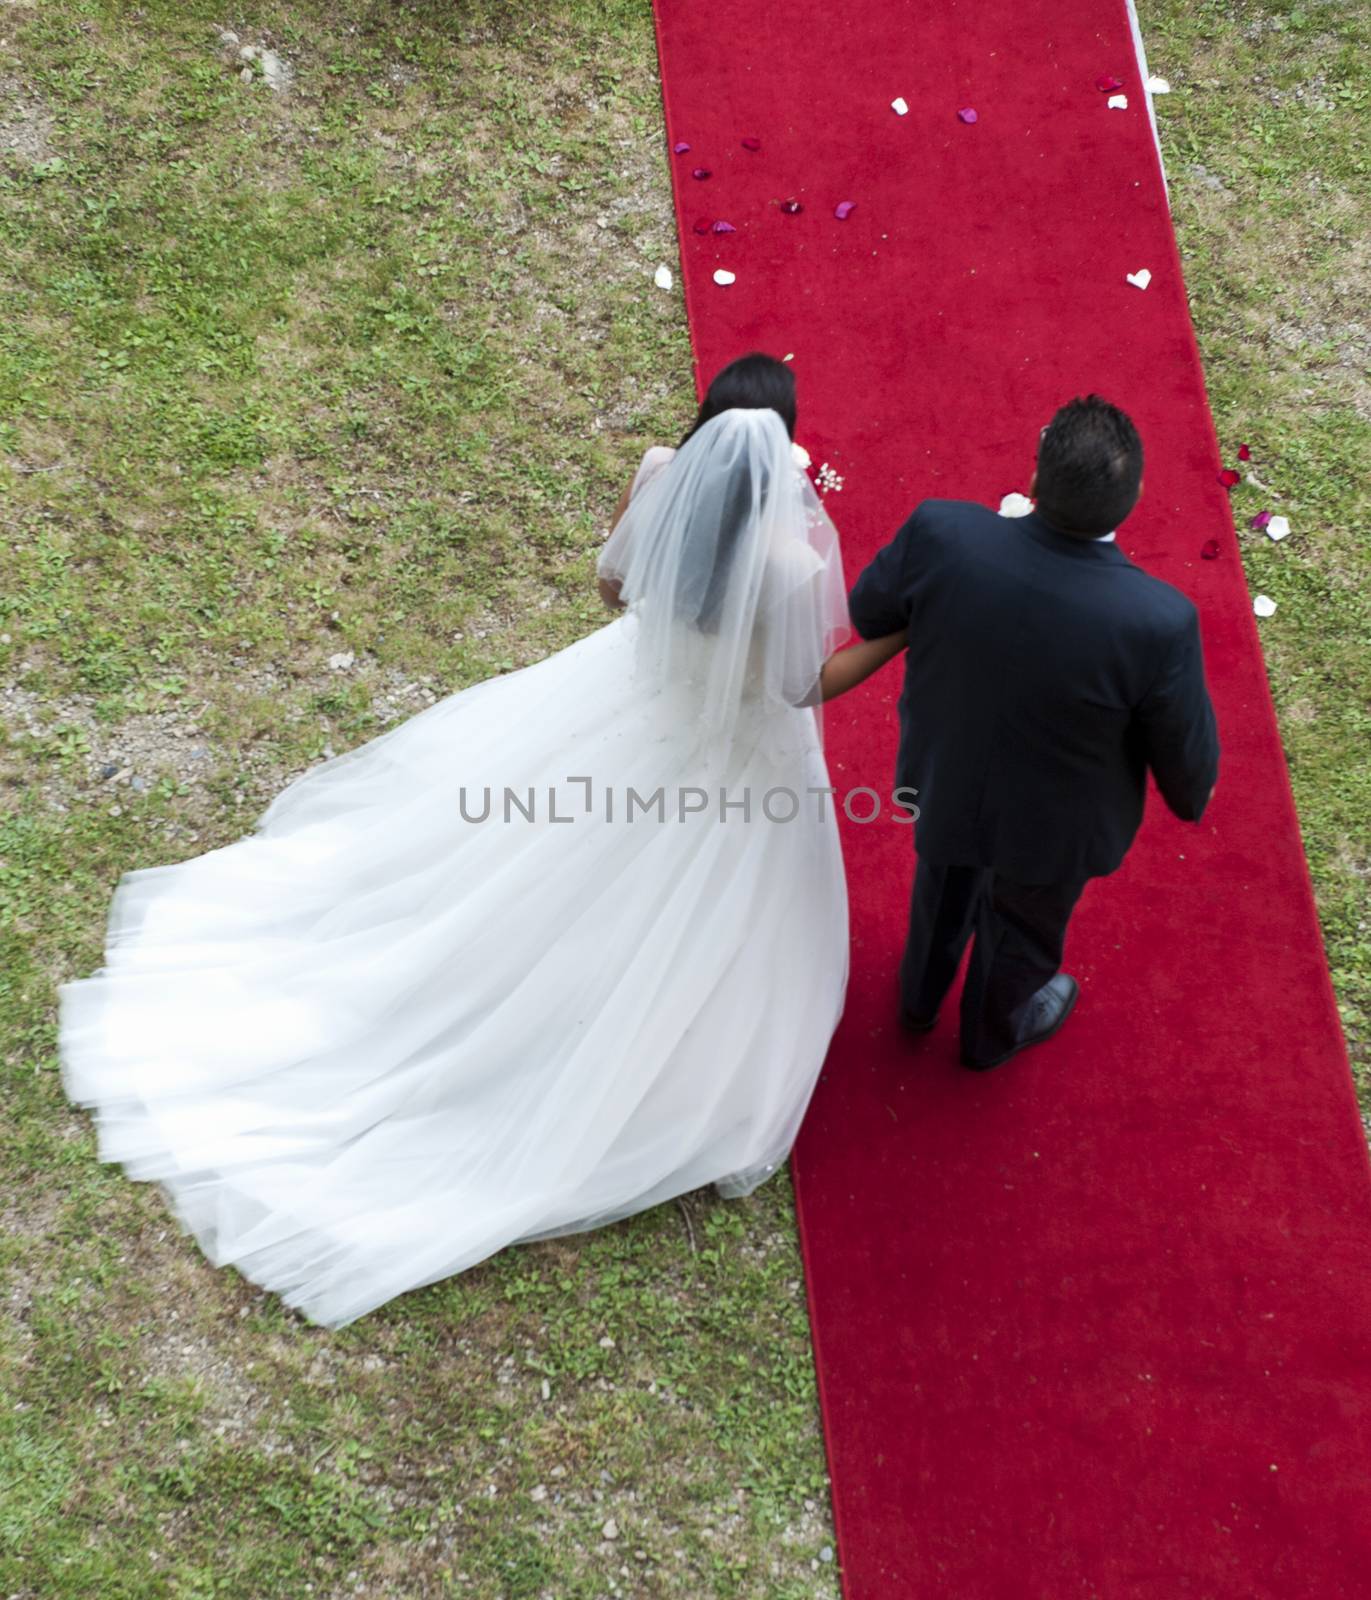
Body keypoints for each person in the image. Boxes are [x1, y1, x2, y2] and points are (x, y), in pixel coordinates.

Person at [58, 354, 903, 1330]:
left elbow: (609, 586)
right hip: (728, 765)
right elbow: (801, 687)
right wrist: (899, 636)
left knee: (542, 879)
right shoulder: (790, 561)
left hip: (627, 711)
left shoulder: (659, 473)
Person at [847, 395, 1220, 1070]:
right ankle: (991, 1035)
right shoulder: (1156, 622)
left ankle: (917, 1000)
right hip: (1056, 827)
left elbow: (869, 612)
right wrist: (1191, 796)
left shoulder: (942, 534)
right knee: (1024, 930)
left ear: (1035, 473)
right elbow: (1183, 761)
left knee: (941, 888)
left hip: (948, 777)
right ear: (1133, 495)